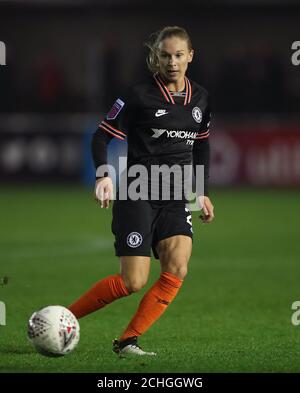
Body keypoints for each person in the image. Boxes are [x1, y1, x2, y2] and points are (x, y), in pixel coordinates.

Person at [68, 26, 214, 357]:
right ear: (155, 58)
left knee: (178, 266)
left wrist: (201, 192)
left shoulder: (201, 98)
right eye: (165, 55)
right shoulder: (137, 95)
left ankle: (127, 341)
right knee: (132, 282)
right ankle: (64, 317)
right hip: (139, 191)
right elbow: (100, 136)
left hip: (178, 195)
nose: (172, 62)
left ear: (190, 56)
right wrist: (103, 175)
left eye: (178, 55)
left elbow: (202, 147)